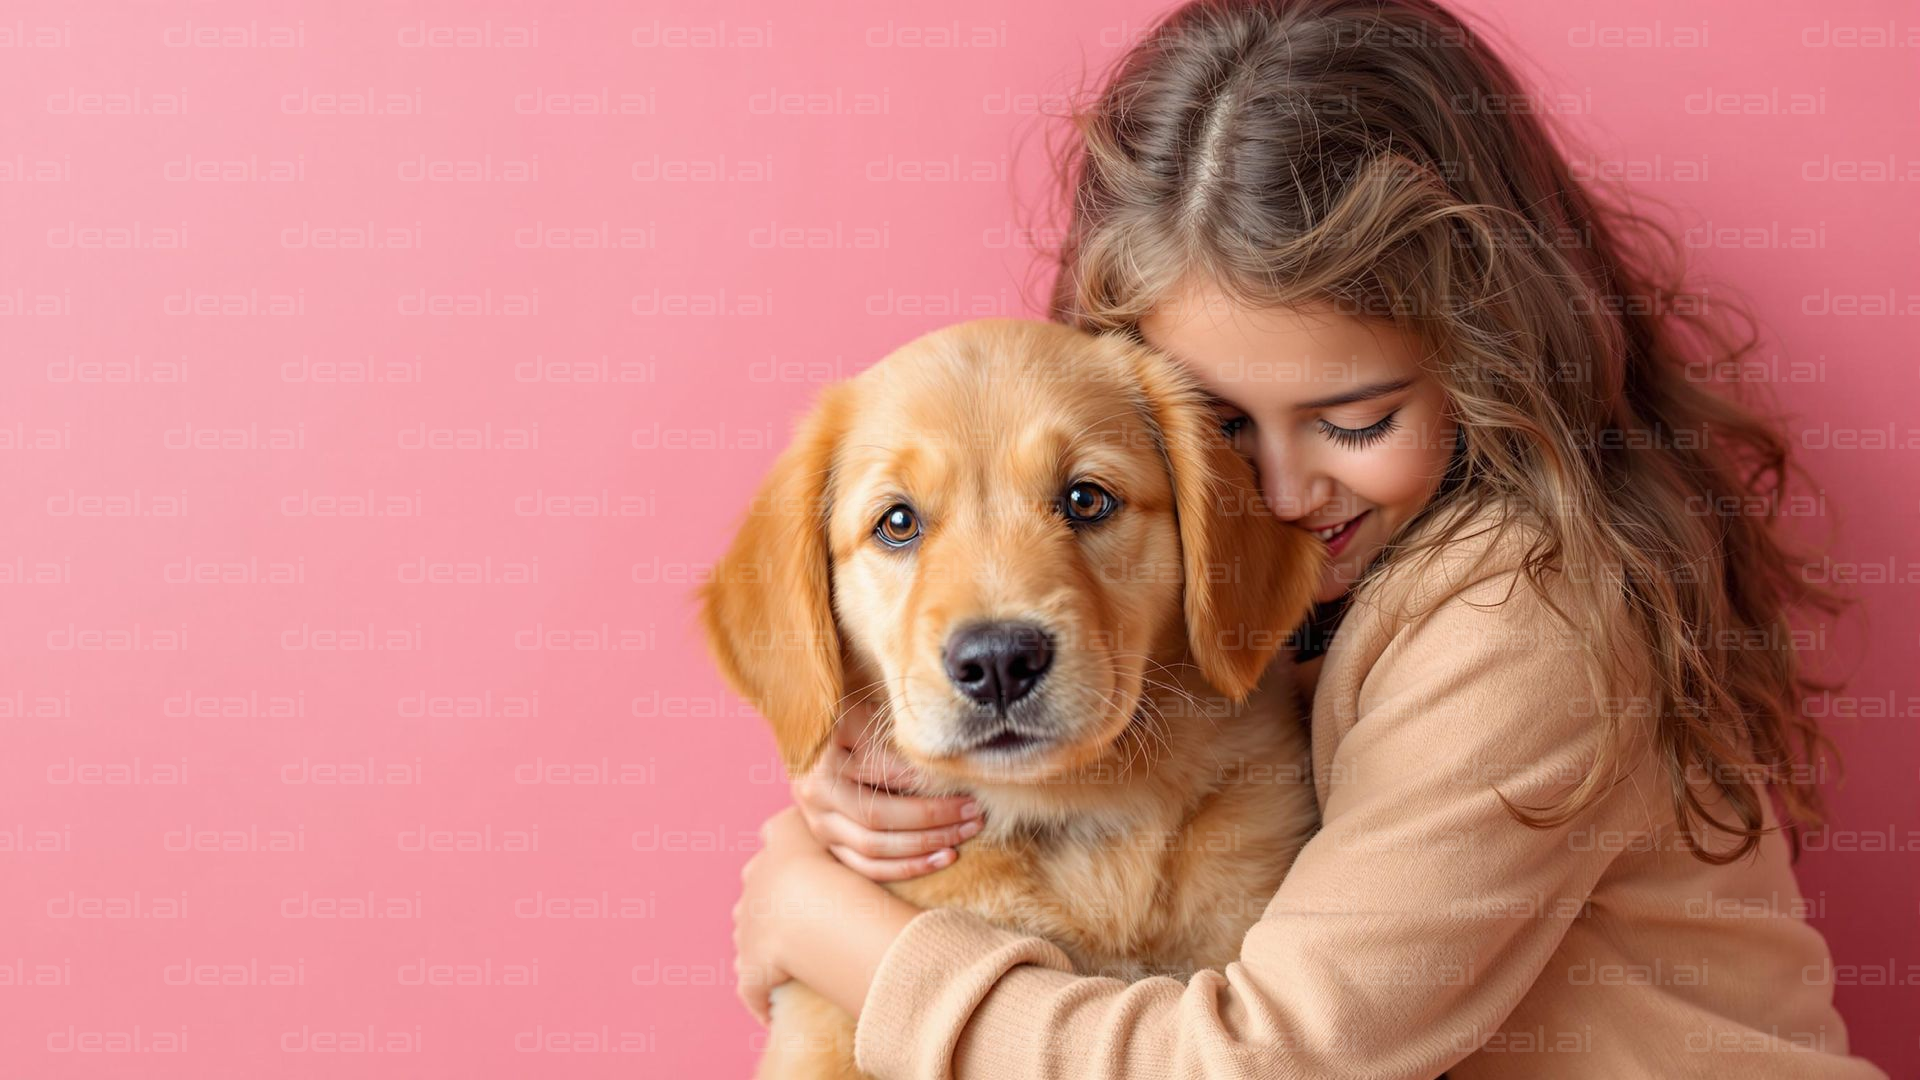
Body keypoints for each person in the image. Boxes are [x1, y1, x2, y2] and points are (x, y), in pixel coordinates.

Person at [731, 0, 1890, 1075]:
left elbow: (1275, 1060)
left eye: (1356, 421)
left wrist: (845, 941)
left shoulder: (1527, 616)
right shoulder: (1248, 582)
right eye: (1222, 425)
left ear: (1487, 359)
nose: (1280, 491)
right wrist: (843, 766)